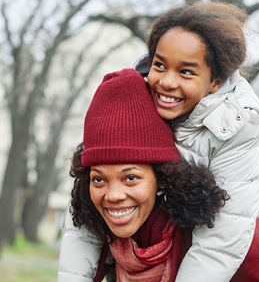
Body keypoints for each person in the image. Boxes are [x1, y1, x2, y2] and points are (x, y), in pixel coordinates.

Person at [58, 1, 259, 281]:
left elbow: (222, 240)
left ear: (215, 82)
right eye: (159, 65)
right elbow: (83, 216)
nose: (167, 82)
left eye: (186, 72)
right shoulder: (139, 100)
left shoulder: (235, 129)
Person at [69, 68, 229, 281]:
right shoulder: (106, 241)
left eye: (131, 178)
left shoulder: (221, 231)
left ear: (162, 178)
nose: (113, 195)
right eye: (99, 179)